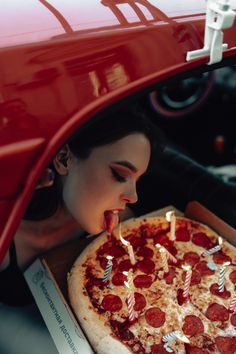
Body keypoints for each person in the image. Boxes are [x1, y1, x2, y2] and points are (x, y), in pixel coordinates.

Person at [0, 104, 164, 353]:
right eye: (120, 175)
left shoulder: (118, 223)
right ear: (64, 158)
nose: (133, 196)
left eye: (137, 181)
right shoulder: (6, 226)